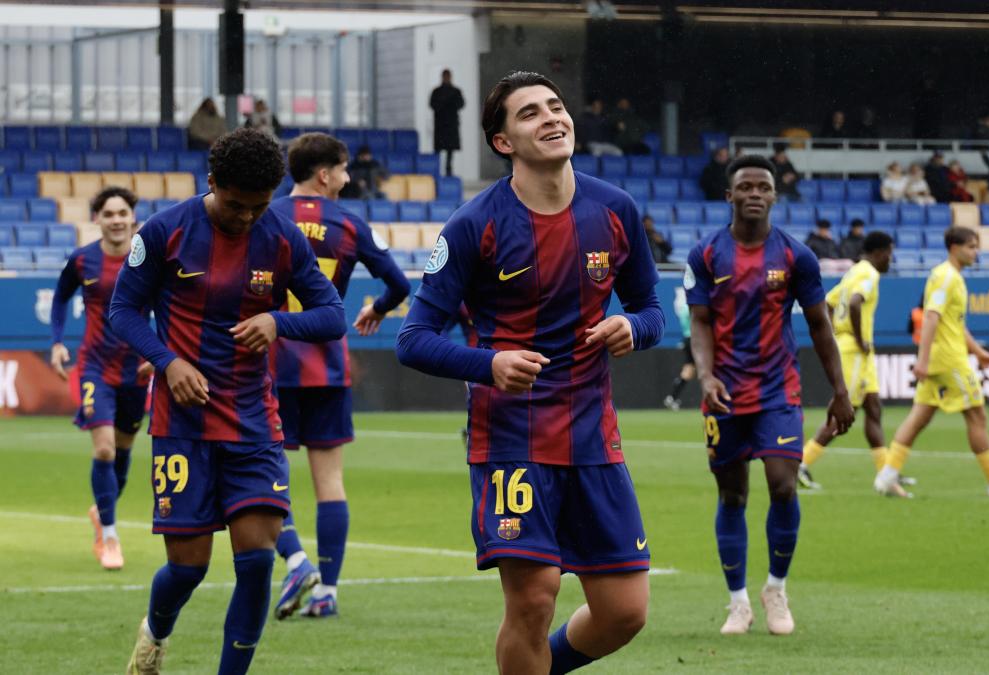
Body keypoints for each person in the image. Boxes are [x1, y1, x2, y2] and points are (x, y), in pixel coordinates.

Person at [394, 71, 664, 674]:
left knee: (624, 612)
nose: (551, 118)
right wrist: (489, 363)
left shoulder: (615, 209)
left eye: (556, 106)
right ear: (503, 142)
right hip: (512, 437)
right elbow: (413, 340)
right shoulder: (474, 224)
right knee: (535, 598)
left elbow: (651, 309)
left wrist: (634, 328)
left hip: (593, 435)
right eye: (530, 113)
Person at [111, 127, 346, 674]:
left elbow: (332, 314)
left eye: (259, 206)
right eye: (237, 205)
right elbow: (123, 310)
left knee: (257, 563)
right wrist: (168, 362)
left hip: (253, 421)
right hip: (182, 421)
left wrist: (278, 321)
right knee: (188, 568)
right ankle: (156, 632)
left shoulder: (282, 237)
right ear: (213, 182)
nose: (247, 217)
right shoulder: (166, 230)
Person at [685, 154, 854, 636]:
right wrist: (706, 376)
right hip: (724, 393)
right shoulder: (705, 254)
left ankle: (776, 589)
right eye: (746, 186)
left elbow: (820, 326)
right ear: (729, 196)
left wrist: (840, 391)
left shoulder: (797, 256)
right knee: (732, 494)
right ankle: (737, 602)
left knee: (783, 484)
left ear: (775, 196)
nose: (755, 193)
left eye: (763, 187)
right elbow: (700, 322)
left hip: (778, 389)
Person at [268, 132, 412, 620]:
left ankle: (296, 560)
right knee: (330, 481)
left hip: (270, 361)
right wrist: (378, 309)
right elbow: (399, 283)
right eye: (345, 170)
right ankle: (327, 590)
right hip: (326, 364)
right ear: (325, 174)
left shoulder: (267, 217)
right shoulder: (350, 224)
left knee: (262, 473)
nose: (348, 180)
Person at [873, 227, 989, 499]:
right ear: (954, 248)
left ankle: (887, 476)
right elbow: (931, 317)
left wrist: (978, 352)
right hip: (949, 361)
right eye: (971, 247)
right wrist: (922, 361)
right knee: (977, 416)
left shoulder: (951, 276)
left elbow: (954, 324)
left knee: (919, 416)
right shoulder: (946, 277)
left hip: (943, 358)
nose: (976, 252)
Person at [49, 186, 152, 571]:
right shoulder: (82, 260)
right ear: (97, 219)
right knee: (105, 449)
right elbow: (60, 298)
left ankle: (101, 512)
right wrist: (57, 342)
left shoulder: (147, 260)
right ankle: (109, 536)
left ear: (133, 218)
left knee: (123, 450)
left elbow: (168, 307)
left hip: (136, 368)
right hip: (94, 366)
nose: (116, 220)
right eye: (108, 214)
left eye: (122, 213)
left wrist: (159, 354)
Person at [800, 231, 894, 489]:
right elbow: (854, 303)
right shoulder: (869, 273)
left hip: (853, 348)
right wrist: (859, 338)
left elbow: (829, 302)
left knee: (873, 408)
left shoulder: (853, 271)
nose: (891, 259)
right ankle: (802, 463)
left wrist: (835, 332)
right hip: (855, 350)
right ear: (880, 253)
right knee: (843, 412)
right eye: (889, 253)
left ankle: (886, 473)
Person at [663, 287, 695, 411]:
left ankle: (672, 397)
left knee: (688, 370)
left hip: (687, 340)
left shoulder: (682, 310)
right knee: (705, 368)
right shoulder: (689, 309)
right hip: (695, 340)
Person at [430, 69, 466, 176]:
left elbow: (461, 104)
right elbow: (432, 105)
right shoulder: (436, 92)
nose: (446, 78)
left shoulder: (456, 91)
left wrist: (449, 103)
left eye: (448, 76)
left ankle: (448, 171)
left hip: (451, 125)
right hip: (440, 125)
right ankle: (435, 170)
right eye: (445, 76)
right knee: (438, 150)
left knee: (450, 150)